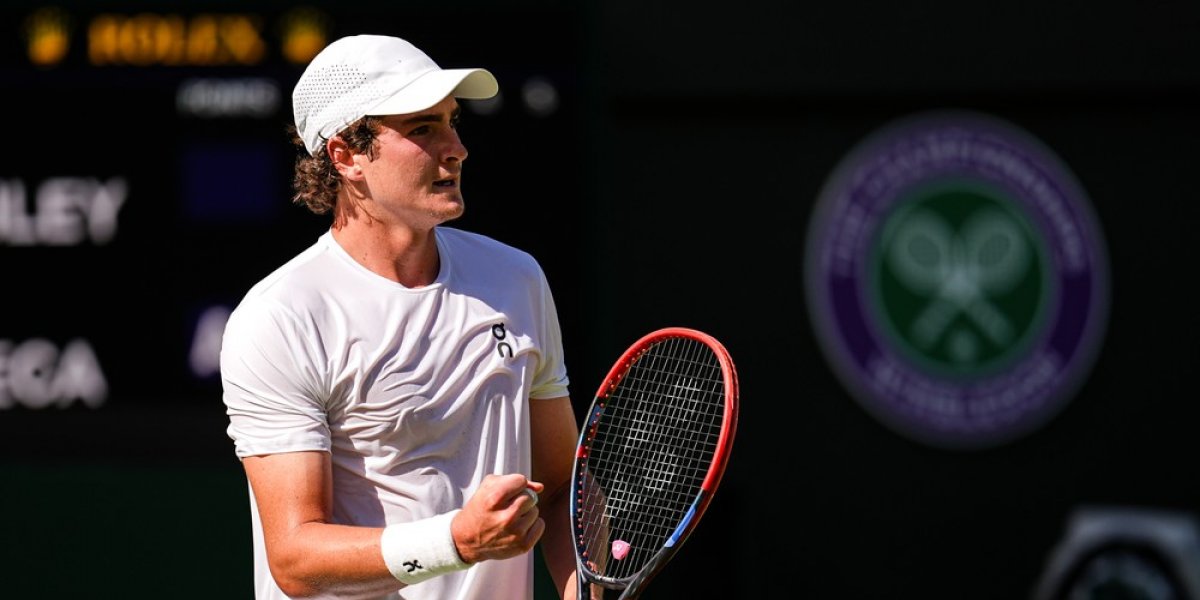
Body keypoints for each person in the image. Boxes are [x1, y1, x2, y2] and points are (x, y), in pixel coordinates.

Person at [220, 34, 586, 600]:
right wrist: (458, 542)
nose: (456, 148)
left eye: (452, 121)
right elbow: (295, 557)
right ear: (345, 156)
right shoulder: (281, 317)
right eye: (422, 129)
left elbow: (561, 485)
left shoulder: (516, 279)